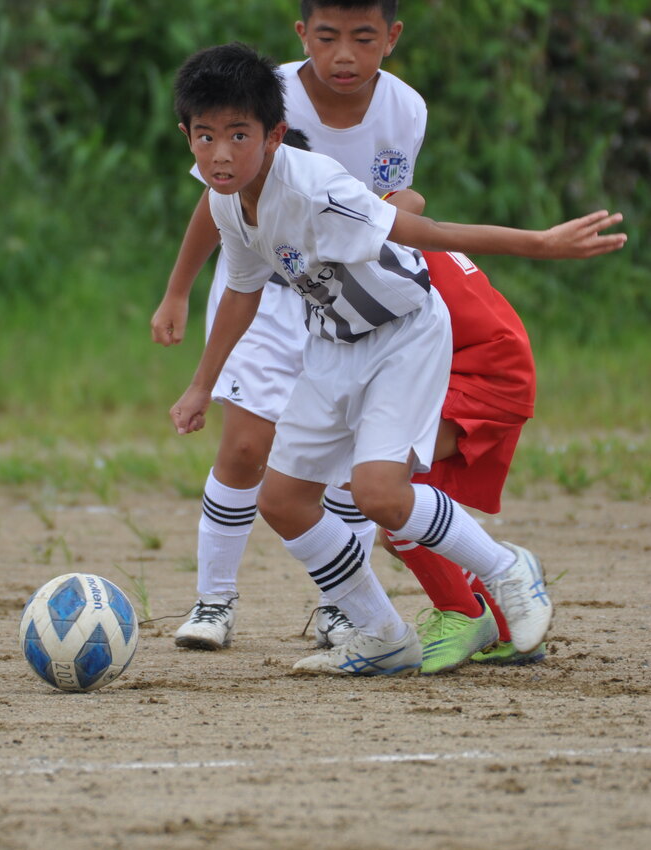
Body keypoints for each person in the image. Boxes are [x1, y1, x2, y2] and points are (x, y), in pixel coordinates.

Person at [169, 42, 625, 675]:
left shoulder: (316, 188)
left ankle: (508, 569)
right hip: (331, 344)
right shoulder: (227, 202)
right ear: (187, 137)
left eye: (238, 135)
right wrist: (200, 386)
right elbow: (242, 293)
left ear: (274, 136)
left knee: (377, 492)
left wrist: (540, 244)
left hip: (404, 335)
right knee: (282, 501)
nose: (220, 153)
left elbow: (426, 231)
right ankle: (382, 634)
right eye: (205, 136)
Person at [152, 0, 429, 653]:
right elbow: (216, 199)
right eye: (327, 36)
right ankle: (213, 600)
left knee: (343, 464)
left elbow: (397, 207)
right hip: (267, 290)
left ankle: (341, 605)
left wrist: (403, 209)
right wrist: (178, 291)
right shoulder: (258, 95)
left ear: (390, 38)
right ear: (303, 33)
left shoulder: (405, 110)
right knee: (246, 448)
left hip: (349, 296)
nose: (342, 55)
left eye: (362, 38)